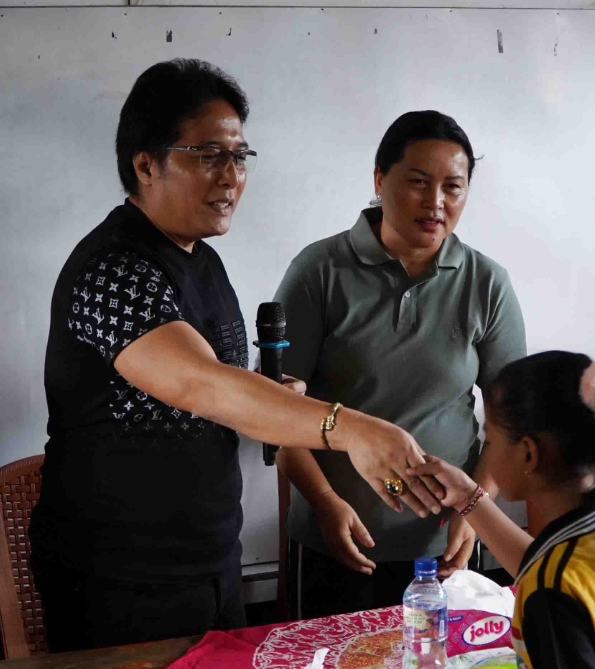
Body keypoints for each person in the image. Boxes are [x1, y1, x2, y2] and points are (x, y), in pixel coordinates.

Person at [30, 59, 443, 652]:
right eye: (208, 155)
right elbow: (202, 386)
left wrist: (274, 399)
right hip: (120, 578)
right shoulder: (113, 269)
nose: (231, 176)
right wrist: (348, 429)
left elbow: (218, 386)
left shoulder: (202, 258)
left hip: (210, 560)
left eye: (239, 156)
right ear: (146, 164)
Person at [274, 110, 526, 618]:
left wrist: (476, 508)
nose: (436, 203)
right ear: (379, 180)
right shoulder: (318, 272)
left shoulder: (486, 283)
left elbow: (511, 421)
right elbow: (276, 412)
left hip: (443, 548)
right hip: (336, 538)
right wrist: (324, 502)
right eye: (417, 183)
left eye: (453, 187)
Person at [410, 352, 595, 669]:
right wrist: (467, 496)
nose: (487, 452)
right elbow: (545, 565)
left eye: (490, 440)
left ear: (528, 454)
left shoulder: (550, 593)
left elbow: (549, 582)